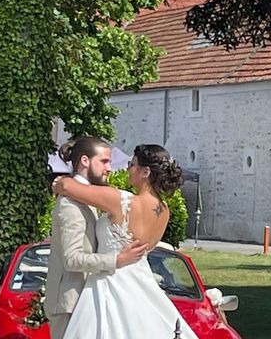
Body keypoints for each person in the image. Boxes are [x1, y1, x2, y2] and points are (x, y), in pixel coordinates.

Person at [51, 144, 197, 339]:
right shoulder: (164, 212)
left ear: (145, 172)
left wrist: (57, 183)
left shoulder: (122, 200)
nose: (128, 169)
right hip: (142, 285)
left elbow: (68, 186)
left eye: (132, 164)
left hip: (110, 282)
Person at [44, 137, 148, 339]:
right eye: (104, 161)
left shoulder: (85, 197)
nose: (109, 168)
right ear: (85, 161)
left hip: (86, 300)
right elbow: (72, 259)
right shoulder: (70, 204)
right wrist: (116, 260)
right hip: (68, 304)